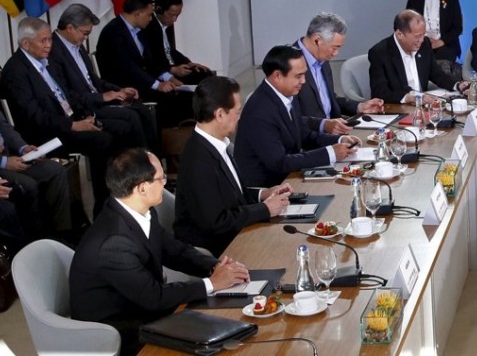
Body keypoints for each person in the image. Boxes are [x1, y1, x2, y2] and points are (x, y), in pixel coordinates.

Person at [69, 148, 250, 355]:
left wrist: (215, 266)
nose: (165, 183)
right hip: (118, 329)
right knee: (218, 336)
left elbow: (174, 251)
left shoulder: (140, 212)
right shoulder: (114, 243)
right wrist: (212, 283)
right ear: (142, 188)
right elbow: (154, 297)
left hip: (141, 305)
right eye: (161, 178)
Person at [1, 17, 119, 213]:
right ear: (26, 44)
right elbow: (34, 116)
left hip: (66, 120)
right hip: (45, 133)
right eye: (43, 41)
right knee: (103, 139)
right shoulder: (16, 71)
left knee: (118, 126)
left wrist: (83, 116)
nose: (49, 45)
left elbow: (66, 94)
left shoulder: (45, 62)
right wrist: (73, 125)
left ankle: (117, 195)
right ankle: (103, 206)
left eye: (50, 39)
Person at [174, 76, 292, 256]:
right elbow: (217, 222)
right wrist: (266, 209)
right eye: (237, 112)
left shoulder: (220, 145)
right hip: (219, 249)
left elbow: (232, 194)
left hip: (238, 233)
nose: (240, 117)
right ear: (220, 114)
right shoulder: (198, 160)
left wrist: (264, 194)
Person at [234, 45, 360, 187]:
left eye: (304, 74)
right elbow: (279, 163)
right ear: (277, 76)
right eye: (298, 76)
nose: (303, 81)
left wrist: (339, 140)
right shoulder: (259, 111)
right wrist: (330, 153)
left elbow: (304, 135)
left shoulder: (286, 94)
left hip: (290, 177)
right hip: (270, 188)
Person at [49, 4, 159, 154]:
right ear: (70, 28)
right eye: (85, 33)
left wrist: (118, 91)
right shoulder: (53, 51)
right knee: (131, 117)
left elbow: (94, 80)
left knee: (143, 110)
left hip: (96, 100)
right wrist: (102, 97)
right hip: (82, 108)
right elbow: (67, 94)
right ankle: (138, 164)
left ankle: (153, 159)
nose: (86, 38)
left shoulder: (77, 45)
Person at [95, 0, 193, 126]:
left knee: (181, 92)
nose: (151, 18)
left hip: (141, 80)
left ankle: (181, 131)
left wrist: (167, 77)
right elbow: (128, 68)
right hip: (124, 86)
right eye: (149, 14)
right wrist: (158, 85)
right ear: (138, 14)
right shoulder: (113, 32)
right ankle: (167, 136)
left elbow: (150, 61)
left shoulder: (139, 31)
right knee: (170, 97)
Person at [295, 13, 384, 135]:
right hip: (309, 139)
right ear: (317, 40)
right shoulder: (287, 62)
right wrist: (323, 125)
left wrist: (359, 107)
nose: (336, 53)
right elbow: (287, 117)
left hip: (335, 134)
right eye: (334, 47)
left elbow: (329, 100)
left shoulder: (321, 58)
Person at [369, 10, 470, 103]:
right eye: (417, 36)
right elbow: (380, 93)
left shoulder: (425, 44)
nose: (421, 40)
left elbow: (436, 74)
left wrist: (458, 85)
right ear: (400, 34)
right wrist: (409, 98)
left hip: (424, 106)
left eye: (423, 34)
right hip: (398, 108)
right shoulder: (380, 53)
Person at [0, 115, 72, 241]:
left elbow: (4, 127)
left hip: (8, 155)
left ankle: (62, 236)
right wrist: (3, 162)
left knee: (55, 171)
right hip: (3, 163)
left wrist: (23, 148)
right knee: (27, 186)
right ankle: (35, 241)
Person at [141, 0, 214, 85]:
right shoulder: (148, 26)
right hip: (161, 72)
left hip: (172, 67)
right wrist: (172, 69)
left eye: (177, 15)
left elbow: (170, 50)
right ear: (159, 10)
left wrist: (188, 63)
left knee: (205, 73)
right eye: (172, 15)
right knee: (203, 81)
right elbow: (151, 59)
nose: (175, 19)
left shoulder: (166, 23)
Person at [406, 0, 463, 79]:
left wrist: (440, 42)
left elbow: (457, 28)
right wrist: (422, 41)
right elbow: (408, 24)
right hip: (421, 44)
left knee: (443, 69)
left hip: (445, 45)